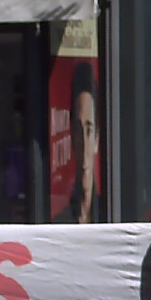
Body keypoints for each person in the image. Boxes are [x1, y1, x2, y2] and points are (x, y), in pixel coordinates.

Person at [54, 61, 101, 223]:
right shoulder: (60, 216)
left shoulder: (108, 211)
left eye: (88, 129)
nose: (83, 141)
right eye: (77, 128)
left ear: (97, 138)